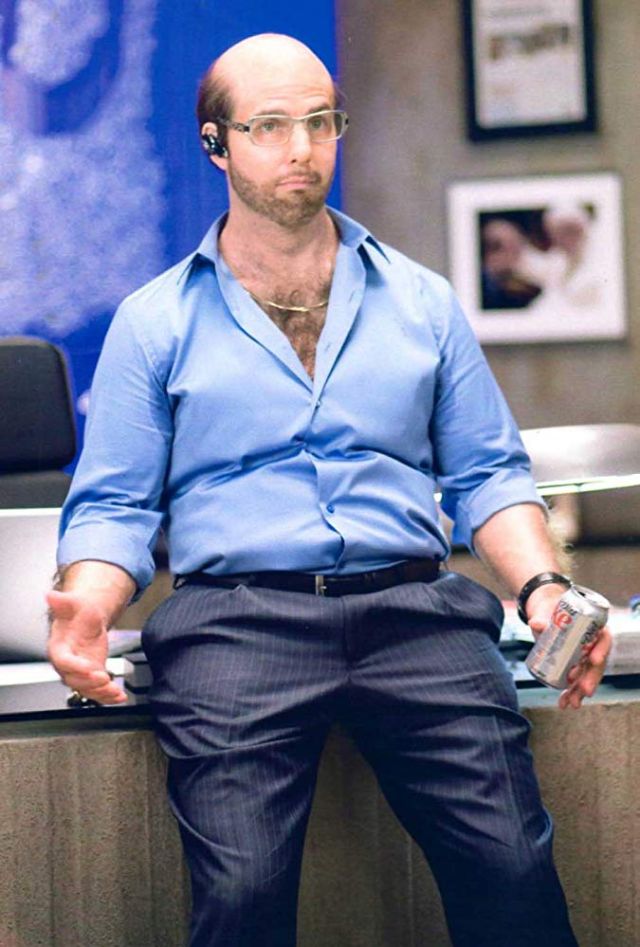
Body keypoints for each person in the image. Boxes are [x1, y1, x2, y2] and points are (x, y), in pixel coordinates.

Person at [47, 33, 611, 947]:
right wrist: (89, 602)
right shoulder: (153, 323)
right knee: (241, 896)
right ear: (216, 143)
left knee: (514, 870)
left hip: (416, 613)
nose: (303, 148)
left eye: (321, 121)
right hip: (238, 623)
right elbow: (115, 504)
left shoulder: (422, 300)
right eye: (269, 126)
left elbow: (486, 473)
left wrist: (543, 586)